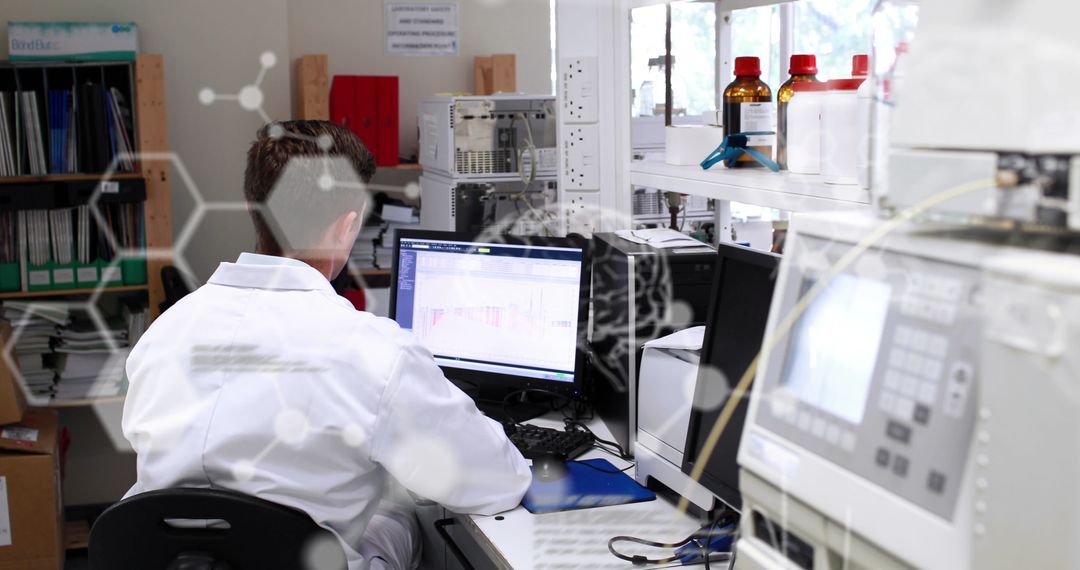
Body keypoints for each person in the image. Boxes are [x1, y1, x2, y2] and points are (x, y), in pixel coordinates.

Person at [121, 120, 531, 570]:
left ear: (252, 207)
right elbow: (497, 481)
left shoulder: (162, 333)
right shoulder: (375, 353)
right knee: (404, 512)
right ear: (346, 227)